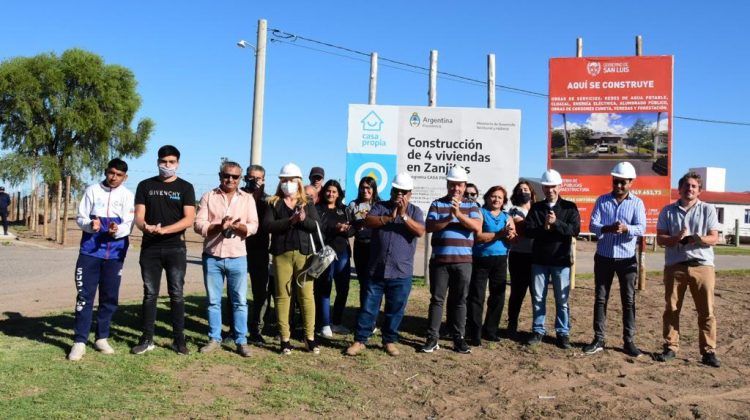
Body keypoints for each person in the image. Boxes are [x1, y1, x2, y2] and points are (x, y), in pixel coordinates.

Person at [345, 172, 425, 356]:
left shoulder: (415, 211)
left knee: (395, 309)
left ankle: (389, 340)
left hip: (401, 272)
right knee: (368, 307)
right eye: (397, 190)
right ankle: (360, 340)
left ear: (410, 193)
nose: (400, 195)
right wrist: (390, 217)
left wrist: (403, 216)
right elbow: (369, 221)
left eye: (404, 192)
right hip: (377, 269)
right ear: (391, 190)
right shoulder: (380, 207)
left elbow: (420, 231)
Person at [67, 159, 135, 361]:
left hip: (115, 253)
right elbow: (80, 217)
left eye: (119, 174)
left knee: (109, 297)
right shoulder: (92, 190)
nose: (114, 177)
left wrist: (117, 230)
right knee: (84, 296)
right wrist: (90, 225)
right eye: (111, 173)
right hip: (90, 252)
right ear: (106, 172)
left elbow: (129, 224)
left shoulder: (127, 196)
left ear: (125, 177)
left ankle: (101, 337)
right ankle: (79, 341)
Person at [131, 145, 196, 355]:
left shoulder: (186, 188)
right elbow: (139, 216)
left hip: (175, 248)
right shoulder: (145, 185)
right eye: (163, 161)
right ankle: (147, 338)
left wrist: (166, 230)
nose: (167, 165)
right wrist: (145, 226)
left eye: (171, 162)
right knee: (150, 293)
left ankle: (179, 340)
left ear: (177, 163)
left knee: (176, 294)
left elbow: (189, 218)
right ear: (157, 161)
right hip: (150, 248)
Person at [655, 171, 721, 368]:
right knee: (672, 309)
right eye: (686, 185)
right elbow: (660, 238)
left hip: (702, 267)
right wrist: (676, 238)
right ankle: (670, 347)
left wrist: (699, 238)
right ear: (680, 188)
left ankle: (709, 351)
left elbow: (714, 238)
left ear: (699, 190)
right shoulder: (667, 211)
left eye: (693, 186)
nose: (690, 189)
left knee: (706, 310)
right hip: (675, 266)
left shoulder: (708, 209)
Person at [194, 161, 259, 357]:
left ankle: (241, 340)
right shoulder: (208, 196)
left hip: (237, 256)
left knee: (240, 301)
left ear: (240, 179)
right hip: (212, 257)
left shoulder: (247, 199)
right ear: (220, 175)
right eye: (226, 175)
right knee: (213, 301)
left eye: (235, 177)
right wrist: (218, 226)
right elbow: (198, 225)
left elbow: (254, 225)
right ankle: (214, 338)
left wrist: (238, 227)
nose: (230, 179)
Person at [583, 162, 646, 357]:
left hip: (627, 259)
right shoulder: (602, 200)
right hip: (604, 257)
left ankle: (629, 341)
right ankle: (599, 338)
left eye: (622, 183)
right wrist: (607, 228)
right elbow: (592, 225)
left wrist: (627, 228)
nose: (618, 186)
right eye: (616, 181)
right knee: (601, 299)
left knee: (628, 300)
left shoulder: (637, 203)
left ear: (631, 183)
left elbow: (642, 228)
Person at [421, 166, 482, 354]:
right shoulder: (437, 204)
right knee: (437, 300)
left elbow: (477, 227)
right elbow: (430, 226)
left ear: (464, 186)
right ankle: (432, 338)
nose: (456, 188)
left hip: (463, 262)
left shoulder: (472, 206)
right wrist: (449, 216)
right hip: (440, 261)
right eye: (453, 184)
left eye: (459, 185)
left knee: (460, 301)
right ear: (448, 185)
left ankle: (458, 338)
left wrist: (459, 215)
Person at [263, 163, 321, 355]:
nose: (287, 183)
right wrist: (290, 221)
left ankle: (309, 338)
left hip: (304, 255)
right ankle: (285, 339)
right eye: (284, 180)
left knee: (306, 296)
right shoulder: (273, 202)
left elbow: (315, 226)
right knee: (282, 296)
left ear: (299, 181)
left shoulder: (307, 202)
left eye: (291, 180)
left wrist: (303, 219)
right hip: (281, 254)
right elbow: (268, 226)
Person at [525, 169, 580, 349]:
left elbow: (574, 230)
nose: (550, 190)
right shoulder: (536, 208)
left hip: (561, 261)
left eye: (553, 186)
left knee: (561, 299)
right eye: (547, 187)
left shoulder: (569, 207)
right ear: (543, 187)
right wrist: (545, 227)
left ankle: (563, 333)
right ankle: (538, 330)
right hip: (539, 260)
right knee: (538, 298)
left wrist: (556, 223)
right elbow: (529, 231)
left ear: (559, 186)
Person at [465, 185, 516, 346]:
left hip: (500, 260)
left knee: (498, 297)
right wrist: (499, 234)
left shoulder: (507, 217)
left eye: (500, 198)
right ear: (487, 197)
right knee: (476, 297)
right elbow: (478, 236)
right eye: (493, 196)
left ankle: (491, 330)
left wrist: (510, 235)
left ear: (504, 201)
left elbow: (514, 239)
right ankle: (474, 332)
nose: (496, 200)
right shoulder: (480, 213)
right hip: (480, 259)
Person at [315, 180, 355, 337]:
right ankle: (324, 324)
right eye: (328, 191)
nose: (331, 194)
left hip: (343, 253)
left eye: (334, 191)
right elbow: (319, 229)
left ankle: (336, 322)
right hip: (326, 254)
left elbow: (352, 231)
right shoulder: (318, 209)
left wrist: (346, 230)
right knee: (325, 289)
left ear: (339, 194)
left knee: (343, 290)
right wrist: (335, 228)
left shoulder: (344, 210)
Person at [242, 164, 273, 344]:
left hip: (260, 250)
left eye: (258, 178)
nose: (254, 181)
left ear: (264, 180)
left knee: (261, 292)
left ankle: (256, 329)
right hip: (239, 249)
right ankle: (235, 328)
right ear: (246, 177)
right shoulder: (238, 196)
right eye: (251, 177)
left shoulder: (269, 200)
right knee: (236, 292)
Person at [506, 180, 536, 339]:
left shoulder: (537, 208)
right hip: (519, 256)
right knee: (517, 292)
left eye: (526, 189)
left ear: (531, 192)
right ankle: (512, 324)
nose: (523, 192)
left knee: (536, 293)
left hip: (536, 256)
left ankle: (537, 327)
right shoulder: (514, 210)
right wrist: (541, 225)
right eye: (520, 190)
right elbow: (524, 229)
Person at [347, 176, 381, 312]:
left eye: (368, 187)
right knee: (363, 282)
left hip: (376, 247)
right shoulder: (353, 205)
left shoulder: (380, 205)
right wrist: (353, 226)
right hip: (360, 246)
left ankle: (374, 315)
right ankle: (364, 313)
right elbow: (349, 226)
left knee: (375, 283)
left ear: (374, 189)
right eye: (363, 187)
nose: (365, 190)